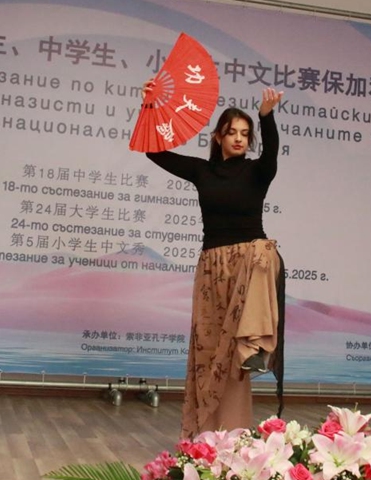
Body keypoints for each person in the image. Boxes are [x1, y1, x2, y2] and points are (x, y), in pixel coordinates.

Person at [141, 82, 287, 438]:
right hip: (212, 267)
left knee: (263, 253)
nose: (239, 138)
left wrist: (266, 117)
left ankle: (256, 346)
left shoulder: (256, 171)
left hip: (249, 263)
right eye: (232, 132)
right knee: (212, 355)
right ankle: (208, 434)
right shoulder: (202, 172)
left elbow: (271, 155)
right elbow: (154, 153)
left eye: (245, 133)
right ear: (218, 136)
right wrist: (150, 106)